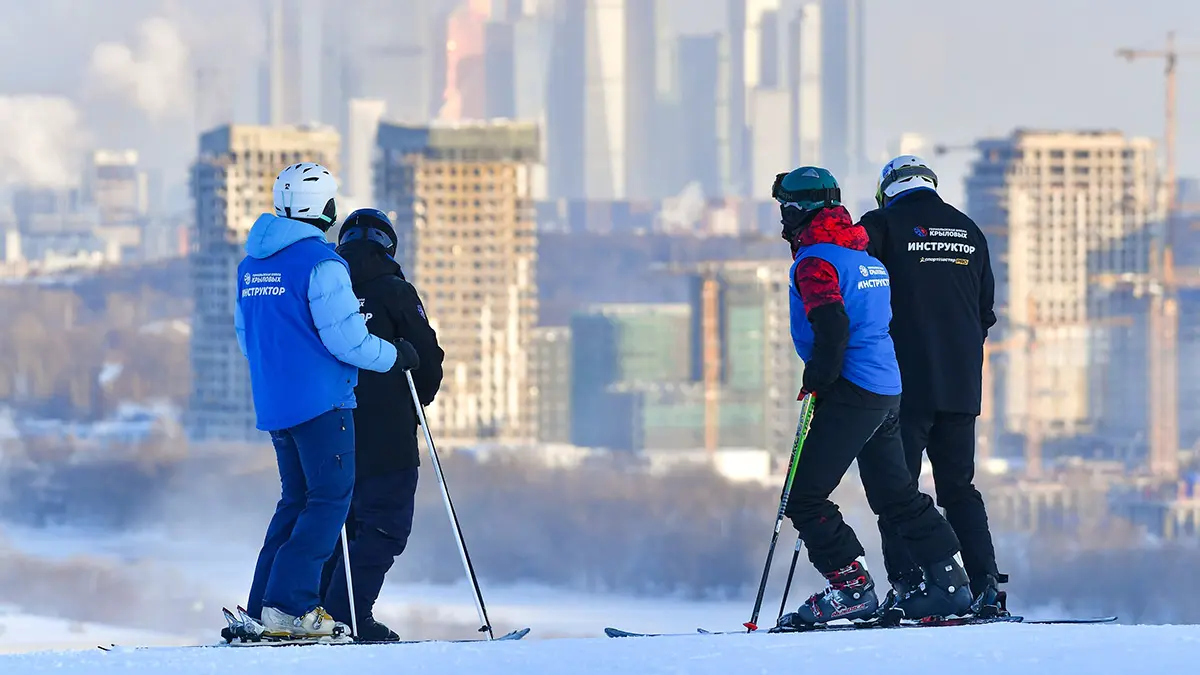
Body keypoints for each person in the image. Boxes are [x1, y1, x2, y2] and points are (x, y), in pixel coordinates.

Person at [772, 166, 973, 627]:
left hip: (852, 389)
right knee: (896, 494)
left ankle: (851, 590)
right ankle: (950, 582)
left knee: (804, 497)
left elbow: (832, 324)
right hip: (887, 389)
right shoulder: (864, 258)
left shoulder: (816, 262)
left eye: (784, 209)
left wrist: (818, 377)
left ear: (797, 211)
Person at [234, 163, 418, 639]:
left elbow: (247, 337)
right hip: (322, 403)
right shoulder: (322, 264)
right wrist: (396, 355)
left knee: (294, 502)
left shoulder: (252, 265)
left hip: (275, 403)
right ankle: (290, 608)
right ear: (327, 208)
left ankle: (263, 608)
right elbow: (349, 342)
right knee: (328, 503)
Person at [857, 155, 1004, 613]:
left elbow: (857, 293)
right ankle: (985, 587)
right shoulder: (969, 230)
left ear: (886, 191)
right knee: (959, 488)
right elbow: (985, 313)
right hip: (961, 386)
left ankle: (911, 587)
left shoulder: (880, 225)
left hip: (902, 385)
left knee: (895, 491)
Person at [317, 208, 445, 641]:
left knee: (337, 527)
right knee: (383, 526)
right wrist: (417, 399)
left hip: (329, 426)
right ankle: (348, 616)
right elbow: (426, 357)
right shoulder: (394, 289)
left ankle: (320, 617)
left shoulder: (324, 289)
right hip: (388, 431)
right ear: (388, 246)